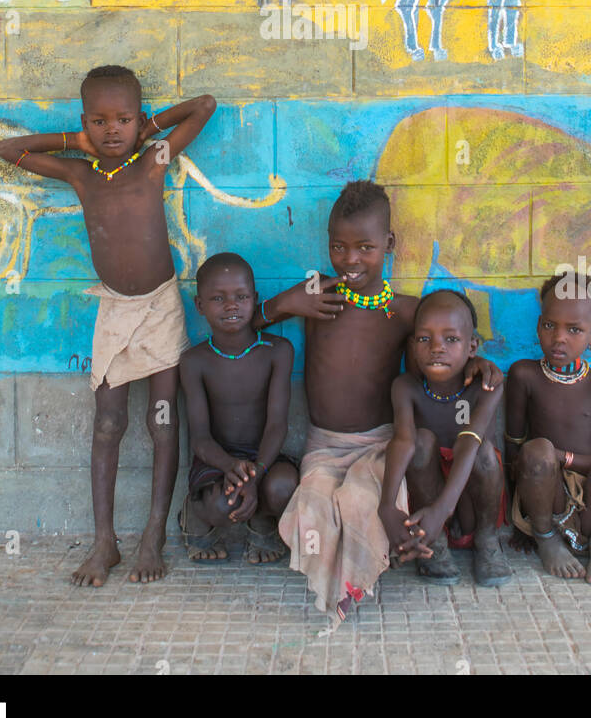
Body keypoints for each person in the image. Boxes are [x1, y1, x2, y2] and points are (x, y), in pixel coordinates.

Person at [0, 65, 216, 587]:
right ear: (84, 124)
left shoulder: (153, 161)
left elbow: (204, 105)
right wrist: (76, 144)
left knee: (162, 423)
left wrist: (151, 126)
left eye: (122, 120)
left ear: (138, 121)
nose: (112, 130)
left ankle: (153, 535)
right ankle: (105, 543)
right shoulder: (82, 174)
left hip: (160, 309)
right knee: (108, 424)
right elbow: (10, 150)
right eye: (99, 121)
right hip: (116, 312)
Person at [255, 179, 501, 627]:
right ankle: (327, 581)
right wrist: (283, 303)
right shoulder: (317, 296)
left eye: (365, 247)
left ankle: (354, 582)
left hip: (382, 448)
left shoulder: (406, 312)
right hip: (323, 446)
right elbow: (248, 322)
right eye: (339, 246)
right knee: (312, 506)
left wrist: (478, 364)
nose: (350, 259)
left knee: (360, 504)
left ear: (389, 244)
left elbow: (446, 341)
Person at [505, 270, 591, 585]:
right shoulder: (523, 375)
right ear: (539, 324)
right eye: (549, 325)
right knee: (537, 450)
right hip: (544, 493)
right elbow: (514, 448)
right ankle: (546, 540)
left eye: (574, 330)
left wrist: (562, 457)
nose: (558, 338)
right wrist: (516, 516)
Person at [379, 289, 511, 588]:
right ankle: (433, 545)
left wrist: (444, 508)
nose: (437, 348)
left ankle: (488, 541)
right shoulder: (405, 387)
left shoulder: (486, 386)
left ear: (472, 346)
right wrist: (386, 506)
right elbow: (403, 442)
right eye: (425, 339)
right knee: (422, 440)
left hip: (470, 499)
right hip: (429, 503)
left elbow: (469, 440)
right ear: (413, 346)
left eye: (451, 339)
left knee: (484, 451)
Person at [179, 252, 298, 563]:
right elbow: (200, 438)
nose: (231, 305)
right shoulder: (194, 362)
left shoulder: (278, 352)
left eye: (241, 297)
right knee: (223, 503)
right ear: (199, 305)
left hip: (265, 457)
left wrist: (255, 475)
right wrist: (231, 466)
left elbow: (277, 425)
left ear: (255, 299)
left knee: (285, 486)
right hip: (219, 460)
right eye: (218, 298)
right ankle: (195, 516)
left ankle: (262, 523)